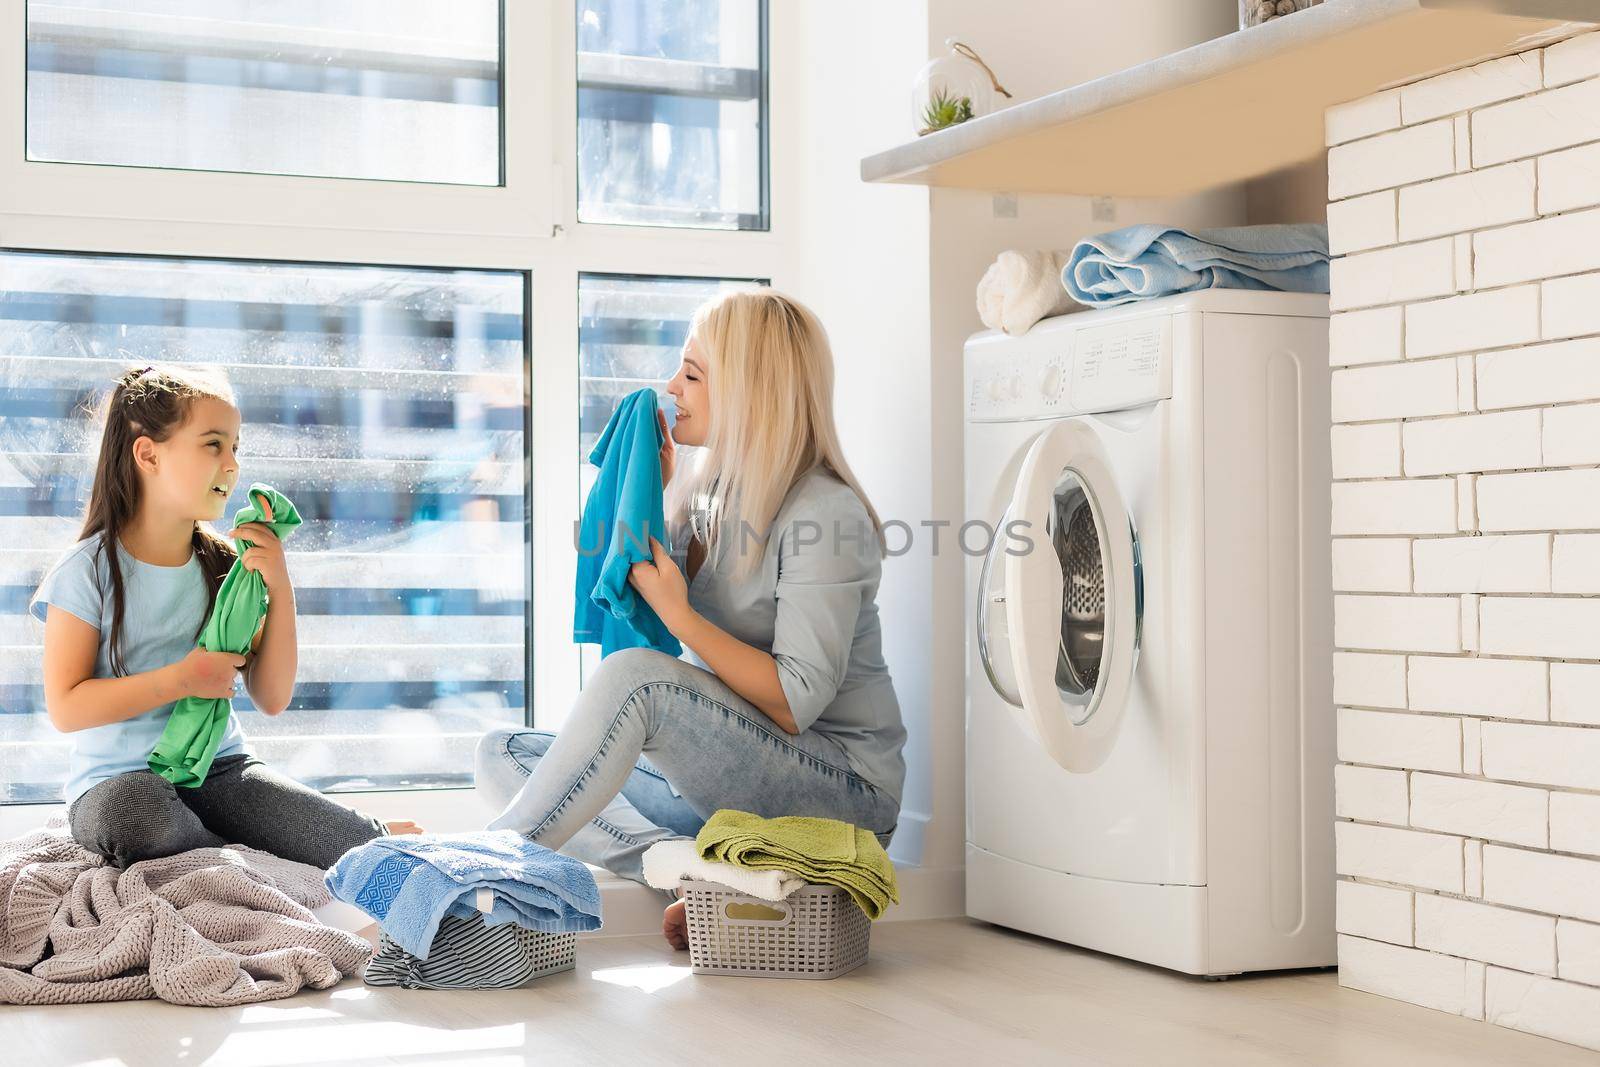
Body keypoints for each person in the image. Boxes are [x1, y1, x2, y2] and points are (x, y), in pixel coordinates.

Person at [475, 290, 907, 950]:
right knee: (505, 753)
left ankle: (478, 875)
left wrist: (681, 613)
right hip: (741, 771)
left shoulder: (827, 512)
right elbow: (653, 622)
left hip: (842, 790)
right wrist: (664, 491)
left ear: (748, 392)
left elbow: (794, 703)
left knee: (637, 681)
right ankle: (694, 876)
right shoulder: (713, 497)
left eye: (693, 374)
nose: (672, 388)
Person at [29, 364, 420, 870]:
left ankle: (215, 849)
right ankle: (228, 859)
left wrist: (278, 582)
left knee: (365, 848)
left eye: (236, 447)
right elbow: (66, 708)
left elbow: (272, 697)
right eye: (213, 444)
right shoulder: (87, 570)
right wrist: (182, 679)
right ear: (148, 454)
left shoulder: (225, 566)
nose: (231, 464)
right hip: (115, 783)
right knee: (136, 813)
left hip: (222, 771)